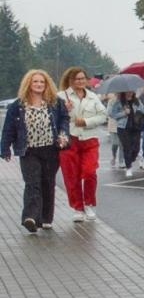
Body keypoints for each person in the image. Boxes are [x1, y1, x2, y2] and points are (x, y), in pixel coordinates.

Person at [2, 69, 70, 232]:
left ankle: (46, 217)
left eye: (42, 82)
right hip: (28, 151)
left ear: (47, 85)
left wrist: (63, 135)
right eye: (35, 82)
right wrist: (4, 148)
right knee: (32, 184)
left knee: (47, 183)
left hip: (50, 149)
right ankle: (30, 217)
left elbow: (64, 120)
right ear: (28, 84)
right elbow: (9, 129)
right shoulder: (17, 106)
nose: (39, 84)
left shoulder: (56, 103)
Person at [58, 66, 108, 222]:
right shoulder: (61, 96)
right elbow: (54, 117)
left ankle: (89, 204)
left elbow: (102, 116)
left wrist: (86, 121)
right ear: (70, 80)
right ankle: (78, 208)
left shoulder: (93, 97)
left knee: (89, 172)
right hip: (69, 139)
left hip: (89, 139)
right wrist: (64, 110)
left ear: (87, 80)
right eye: (76, 79)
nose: (80, 81)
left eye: (82, 78)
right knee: (71, 175)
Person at [109, 91, 144, 179]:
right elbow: (112, 114)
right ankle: (128, 167)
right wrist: (124, 113)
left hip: (135, 128)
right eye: (127, 92)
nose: (129, 94)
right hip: (123, 128)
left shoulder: (137, 101)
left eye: (131, 92)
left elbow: (143, 112)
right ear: (123, 93)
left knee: (136, 148)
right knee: (127, 147)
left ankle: (131, 159)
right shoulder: (118, 102)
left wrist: (138, 113)